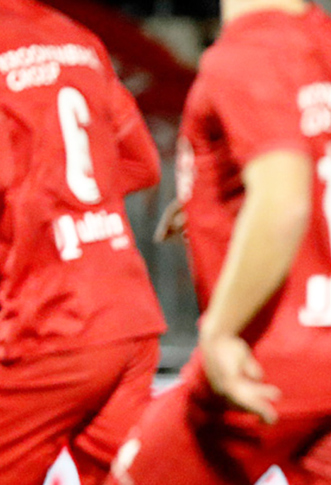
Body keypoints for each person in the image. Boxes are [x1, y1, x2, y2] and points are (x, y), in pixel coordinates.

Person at [106, 0, 331, 483]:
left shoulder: (244, 56)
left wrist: (220, 332)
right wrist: (225, 195)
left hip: (265, 362)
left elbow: (284, 202)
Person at [0, 1, 166, 484]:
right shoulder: (76, 38)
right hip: (126, 317)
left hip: (50, 320)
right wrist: (73, 213)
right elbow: (142, 163)